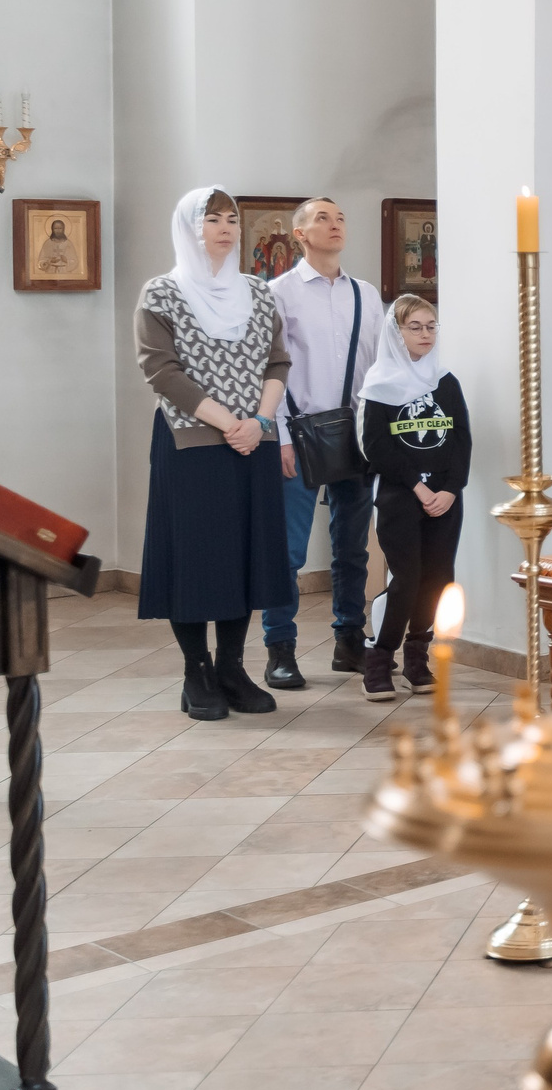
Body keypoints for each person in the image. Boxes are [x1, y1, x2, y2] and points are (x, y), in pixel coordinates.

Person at [137, 187, 293, 722]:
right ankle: (196, 671)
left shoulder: (258, 291)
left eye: (232, 219)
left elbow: (277, 363)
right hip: (193, 442)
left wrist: (261, 423)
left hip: (255, 441)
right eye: (212, 219)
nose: (226, 228)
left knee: (244, 557)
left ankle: (232, 667)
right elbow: (161, 371)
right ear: (189, 227)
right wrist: (230, 423)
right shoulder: (161, 293)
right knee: (197, 558)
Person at [265, 198, 383, 688]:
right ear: (298, 234)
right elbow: (266, 369)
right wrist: (281, 438)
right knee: (287, 551)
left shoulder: (366, 294)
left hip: (356, 436)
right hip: (299, 434)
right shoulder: (277, 294)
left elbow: (380, 366)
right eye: (322, 218)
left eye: (340, 217)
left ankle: (349, 641)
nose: (334, 225)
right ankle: (280, 648)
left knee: (352, 548)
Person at [357, 297, 471, 701]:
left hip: (444, 498)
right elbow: (376, 447)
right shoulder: (380, 383)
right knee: (407, 578)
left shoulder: (446, 381)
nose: (425, 334)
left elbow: (460, 440)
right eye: (415, 327)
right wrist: (418, 487)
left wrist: (451, 489)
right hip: (400, 496)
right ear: (396, 332)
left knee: (440, 579)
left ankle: (417, 657)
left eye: (431, 326)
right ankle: (379, 656)